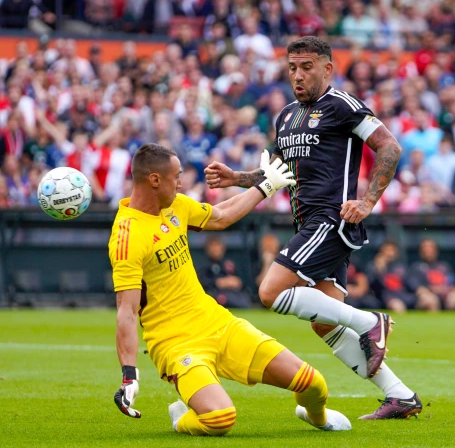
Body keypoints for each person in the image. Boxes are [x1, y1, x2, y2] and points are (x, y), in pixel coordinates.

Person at [204, 36, 421, 420]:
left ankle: (373, 322)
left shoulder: (343, 105)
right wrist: (236, 177)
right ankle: (400, 396)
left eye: (306, 67)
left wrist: (368, 201)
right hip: (307, 223)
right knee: (324, 323)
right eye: (292, 68)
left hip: (331, 220)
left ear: (327, 69)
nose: (297, 75)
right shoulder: (286, 115)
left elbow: (390, 147)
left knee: (269, 291)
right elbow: (275, 172)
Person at [109, 143, 352, 436]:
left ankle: (317, 417)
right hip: (175, 342)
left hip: (217, 323)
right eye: (177, 176)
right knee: (220, 418)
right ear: (155, 180)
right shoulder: (127, 236)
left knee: (313, 383)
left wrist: (265, 187)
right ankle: (181, 417)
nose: (182, 183)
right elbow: (126, 311)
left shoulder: (176, 205)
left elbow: (221, 215)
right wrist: (129, 376)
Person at [407, 239, 455, 313]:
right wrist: (431, 289)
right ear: (421, 251)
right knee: (431, 299)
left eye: (431, 248)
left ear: (436, 251)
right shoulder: (416, 267)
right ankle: (433, 323)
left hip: (446, 296)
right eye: (425, 248)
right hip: (426, 297)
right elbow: (414, 286)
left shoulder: (444, 266)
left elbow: (452, 283)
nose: (428, 250)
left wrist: (446, 289)